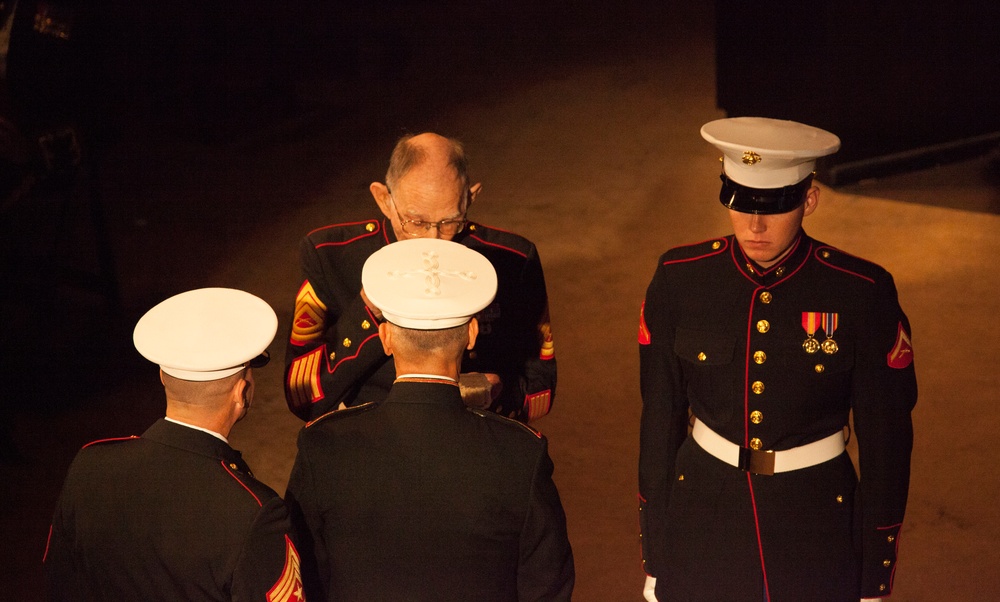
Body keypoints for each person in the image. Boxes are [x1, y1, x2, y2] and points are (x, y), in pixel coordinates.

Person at [637, 117, 917, 602]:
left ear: (809, 200)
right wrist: (657, 556)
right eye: (740, 203)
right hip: (704, 511)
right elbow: (658, 422)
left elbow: (887, 440)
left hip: (815, 521)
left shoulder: (861, 293)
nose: (754, 224)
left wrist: (874, 571)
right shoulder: (681, 279)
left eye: (773, 205)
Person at [285, 238, 574, 601]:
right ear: (470, 335)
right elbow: (548, 585)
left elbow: (299, 577)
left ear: (386, 338)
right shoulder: (521, 452)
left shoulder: (323, 446)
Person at [44, 287, 305, 602]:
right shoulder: (255, 513)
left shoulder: (89, 464)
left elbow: (59, 583)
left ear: (162, 376)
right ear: (241, 392)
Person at [284, 132, 555, 423]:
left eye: (450, 222)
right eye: (416, 222)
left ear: (470, 198)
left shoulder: (513, 260)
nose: (432, 239)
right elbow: (302, 396)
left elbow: (542, 388)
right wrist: (367, 311)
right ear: (384, 200)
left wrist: (499, 392)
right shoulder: (331, 257)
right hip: (373, 443)